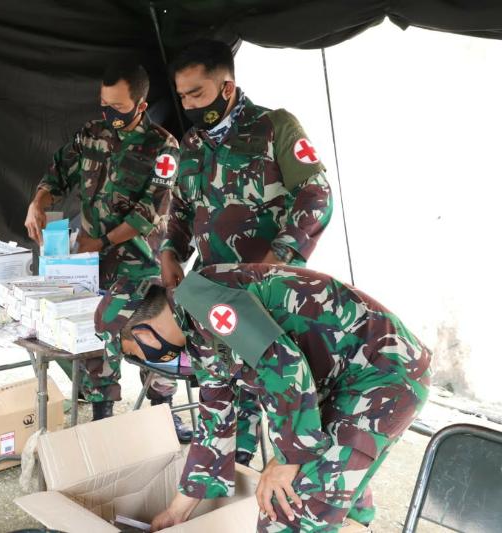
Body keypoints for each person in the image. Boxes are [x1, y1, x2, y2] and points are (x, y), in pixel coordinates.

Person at [95, 264, 431, 532]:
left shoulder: (210, 307)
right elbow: (215, 424)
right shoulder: (193, 323)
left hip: (382, 374)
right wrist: (176, 512)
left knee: (286, 510)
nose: (145, 360)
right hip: (347, 379)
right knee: (324, 489)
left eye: (133, 353)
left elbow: (286, 369)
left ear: (141, 333)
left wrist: (286, 459)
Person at [160, 39, 334, 464]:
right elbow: (182, 206)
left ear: (227, 87)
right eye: (182, 97)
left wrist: (277, 262)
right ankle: (229, 479)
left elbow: (316, 195)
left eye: (197, 93)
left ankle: (277, 478)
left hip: (268, 293)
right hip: (211, 289)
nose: (189, 105)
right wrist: (170, 251)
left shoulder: (273, 126)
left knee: (272, 390)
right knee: (219, 388)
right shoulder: (192, 143)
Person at [24, 59, 193, 441]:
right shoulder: (91, 134)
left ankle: (162, 413)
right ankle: (103, 415)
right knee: (93, 335)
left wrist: (100, 242)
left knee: (151, 334)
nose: (109, 114)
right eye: (105, 104)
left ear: (141, 105)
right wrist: (39, 199)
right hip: (89, 262)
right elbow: (57, 172)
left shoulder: (163, 147)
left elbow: (151, 212)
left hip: (140, 264)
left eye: (118, 107)